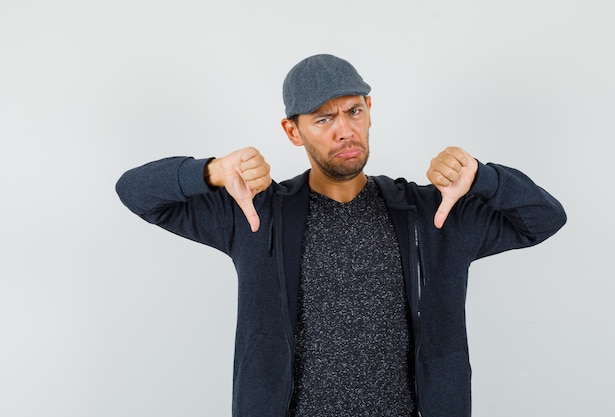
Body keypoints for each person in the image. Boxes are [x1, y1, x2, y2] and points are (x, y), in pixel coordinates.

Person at [116, 54, 566, 417]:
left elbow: (545, 219)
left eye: (353, 111)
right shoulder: (256, 214)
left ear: (370, 112)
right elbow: (135, 193)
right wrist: (209, 171)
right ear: (293, 132)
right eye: (323, 119)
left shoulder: (434, 213)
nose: (344, 130)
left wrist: (484, 178)